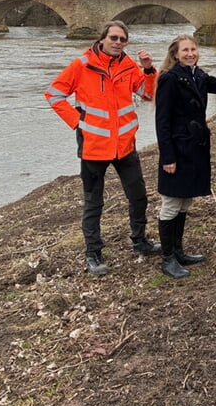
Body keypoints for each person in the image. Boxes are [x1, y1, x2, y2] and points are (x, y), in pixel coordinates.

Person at [44, 20, 161, 275]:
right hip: (93, 146)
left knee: (138, 196)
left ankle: (140, 241)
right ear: (102, 39)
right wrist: (77, 122)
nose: (118, 43)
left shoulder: (129, 65)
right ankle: (93, 253)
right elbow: (54, 94)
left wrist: (148, 70)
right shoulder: (82, 65)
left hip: (125, 145)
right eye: (114, 38)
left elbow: (147, 94)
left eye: (122, 39)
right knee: (93, 203)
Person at [155, 34, 216, 278]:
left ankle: (178, 251)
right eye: (185, 50)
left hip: (195, 148)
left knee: (185, 201)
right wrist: (167, 157)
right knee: (171, 203)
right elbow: (162, 122)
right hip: (178, 150)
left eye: (193, 49)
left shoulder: (198, 75)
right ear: (175, 54)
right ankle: (167, 258)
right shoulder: (169, 79)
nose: (190, 54)